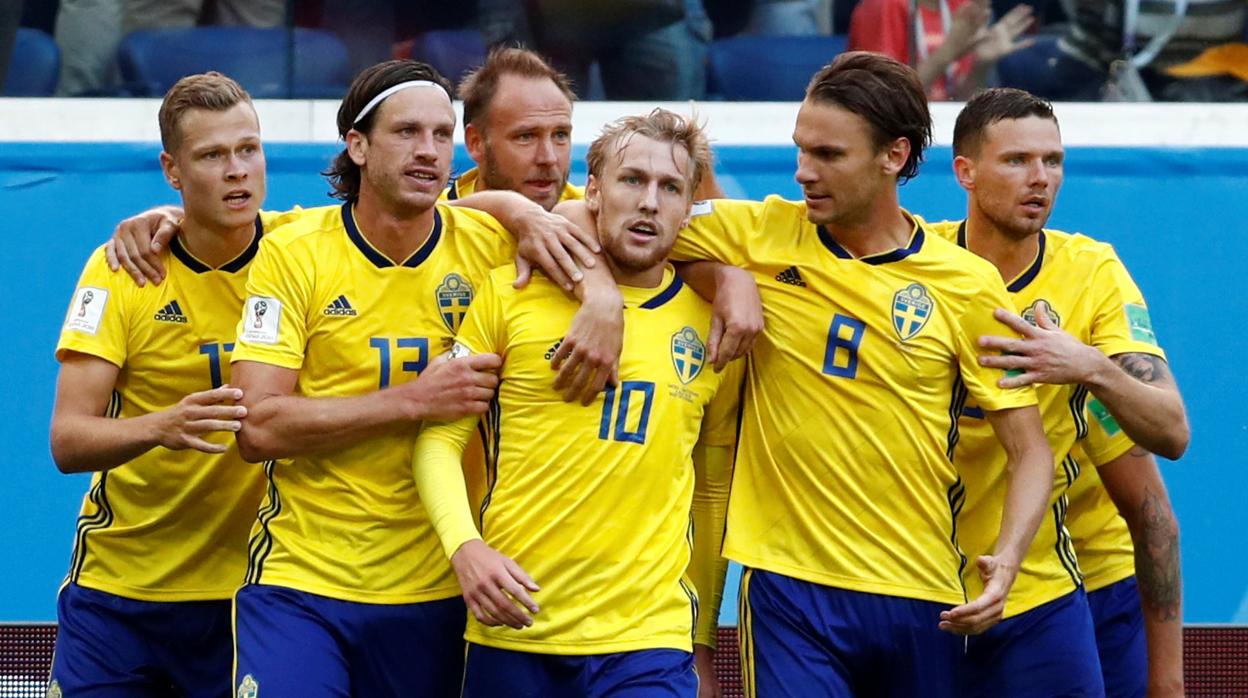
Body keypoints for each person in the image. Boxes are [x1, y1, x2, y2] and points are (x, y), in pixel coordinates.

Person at [661, 51, 1056, 695]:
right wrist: (727, 276)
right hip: (788, 588)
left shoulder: (964, 283)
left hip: (920, 589)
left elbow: (1029, 450)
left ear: (893, 156)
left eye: (828, 155)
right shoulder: (756, 235)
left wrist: (1008, 559)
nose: (803, 172)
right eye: (800, 150)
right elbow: (602, 222)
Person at [225, 59, 621, 697]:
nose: (428, 151)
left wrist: (606, 296)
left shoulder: (490, 237)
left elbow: (656, 230)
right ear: (357, 146)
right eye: (407, 132)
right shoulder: (296, 251)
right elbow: (258, 428)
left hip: (443, 588)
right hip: (304, 582)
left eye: (441, 134)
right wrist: (409, 402)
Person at [413, 108, 726, 697]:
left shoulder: (713, 326)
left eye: (670, 188)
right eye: (632, 180)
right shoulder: (511, 294)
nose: (650, 202)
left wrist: (702, 639)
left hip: (648, 641)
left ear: (689, 209)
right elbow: (439, 439)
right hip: (516, 625)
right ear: (594, 189)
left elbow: (710, 487)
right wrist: (465, 548)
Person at [934, 87, 1187, 696]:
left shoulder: (1090, 274)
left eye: (1053, 162)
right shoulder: (922, 265)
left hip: (1066, 582)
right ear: (964, 171)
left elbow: (1172, 435)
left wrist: (1089, 366)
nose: (1040, 178)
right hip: (926, 583)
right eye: (1018, 160)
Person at [47, 71, 292, 697]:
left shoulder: (305, 253)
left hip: (251, 594)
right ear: (172, 171)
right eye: (212, 155)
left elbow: (446, 216)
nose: (237, 170)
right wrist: (163, 425)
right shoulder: (123, 268)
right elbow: (68, 440)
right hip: (120, 593)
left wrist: (518, 211)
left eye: (248, 148)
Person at [446, 47, 582, 211]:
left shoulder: (600, 216)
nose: (548, 158)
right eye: (526, 137)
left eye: (560, 135)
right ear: (476, 142)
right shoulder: (425, 223)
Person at [848, 0, 1035, 100]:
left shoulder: (959, 6)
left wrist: (981, 64)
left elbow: (961, 100)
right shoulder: (883, 5)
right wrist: (949, 50)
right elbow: (883, 100)